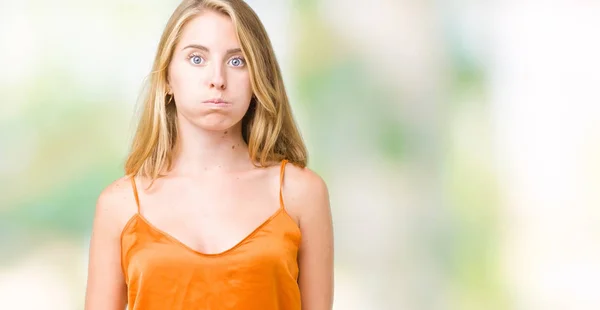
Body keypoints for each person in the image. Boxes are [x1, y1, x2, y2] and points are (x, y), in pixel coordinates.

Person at [83, 0, 334, 309]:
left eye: (237, 61)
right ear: (166, 79)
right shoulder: (118, 205)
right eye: (197, 58)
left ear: (258, 79)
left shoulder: (301, 193)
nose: (218, 79)